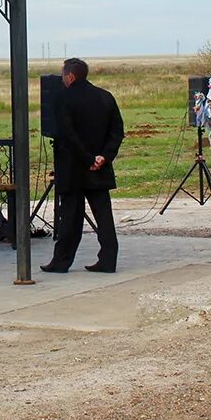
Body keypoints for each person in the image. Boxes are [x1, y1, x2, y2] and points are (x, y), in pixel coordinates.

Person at [41, 58, 124, 274]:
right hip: (100, 167)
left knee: (70, 217)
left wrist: (87, 159)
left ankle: (61, 261)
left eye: (63, 75)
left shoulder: (63, 99)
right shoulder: (105, 97)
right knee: (104, 216)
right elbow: (117, 131)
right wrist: (103, 157)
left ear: (70, 76)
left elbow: (68, 134)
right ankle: (108, 260)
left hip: (73, 168)